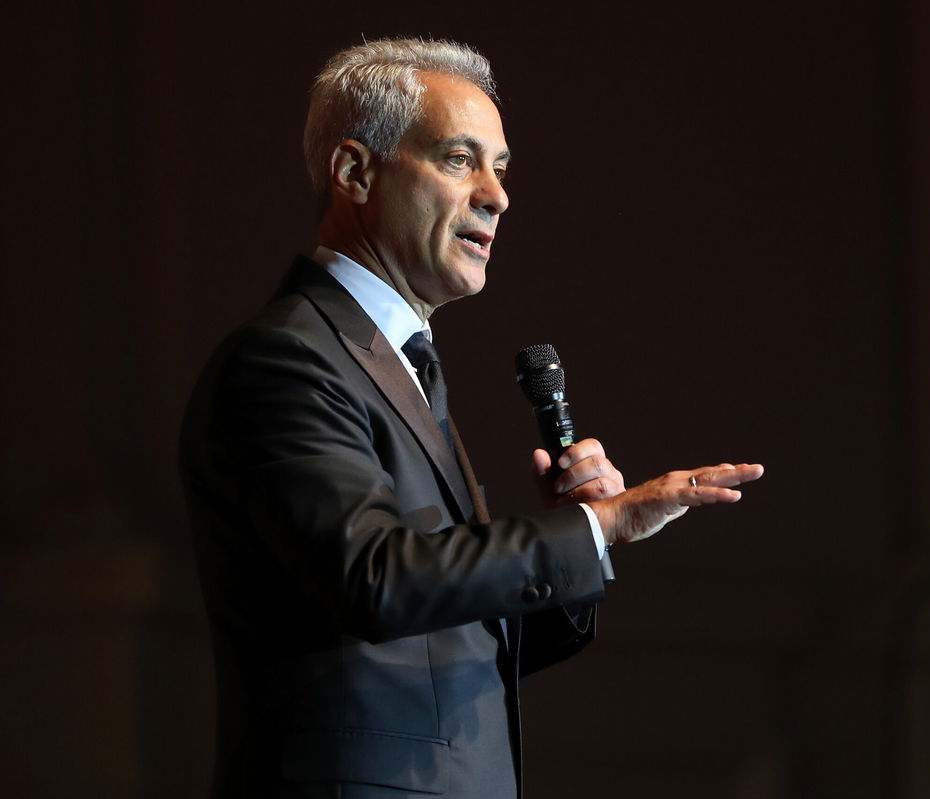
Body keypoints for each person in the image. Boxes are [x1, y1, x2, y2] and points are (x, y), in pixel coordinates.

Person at [180, 37, 763, 799]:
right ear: (355, 171)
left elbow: (447, 638)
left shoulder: (398, 362)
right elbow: (374, 577)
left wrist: (575, 550)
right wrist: (601, 527)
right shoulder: (285, 360)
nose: (497, 195)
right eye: (460, 159)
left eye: (501, 167)